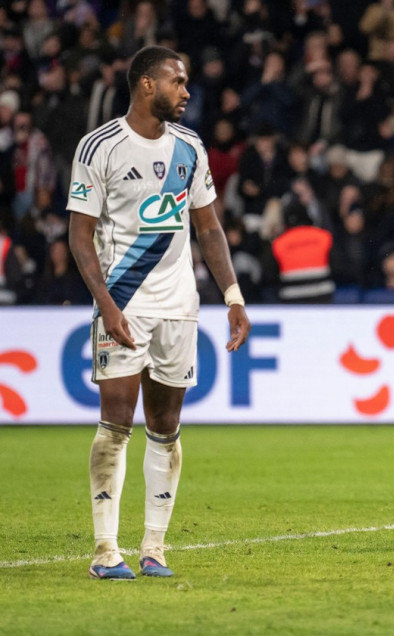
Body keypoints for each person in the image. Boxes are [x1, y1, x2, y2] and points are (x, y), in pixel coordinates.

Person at [67, 46, 251, 580]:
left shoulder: (190, 147)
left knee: (166, 426)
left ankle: (154, 548)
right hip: (122, 304)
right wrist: (105, 304)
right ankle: (105, 550)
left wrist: (233, 297)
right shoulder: (99, 147)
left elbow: (210, 228)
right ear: (147, 84)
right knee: (116, 423)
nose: (187, 92)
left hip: (179, 307)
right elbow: (81, 238)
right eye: (178, 82)